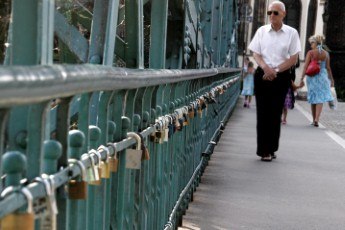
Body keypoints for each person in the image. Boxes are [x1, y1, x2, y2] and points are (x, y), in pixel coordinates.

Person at [248, 1, 301, 161]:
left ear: (283, 14)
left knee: (275, 112)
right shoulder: (262, 31)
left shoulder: (291, 33)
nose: (271, 15)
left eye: (275, 13)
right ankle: (264, 150)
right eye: (269, 13)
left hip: (281, 75)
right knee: (262, 112)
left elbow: (293, 58)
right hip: (262, 74)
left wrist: (275, 70)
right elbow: (255, 53)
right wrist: (265, 68)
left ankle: (271, 148)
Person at [299, 35, 335, 127]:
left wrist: (301, 78)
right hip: (322, 76)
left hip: (312, 77)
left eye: (312, 43)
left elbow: (305, 66)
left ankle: (313, 119)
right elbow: (328, 68)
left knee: (313, 97)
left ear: (315, 43)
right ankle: (316, 119)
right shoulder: (326, 54)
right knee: (320, 99)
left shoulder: (310, 53)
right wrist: (331, 79)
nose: (311, 45)